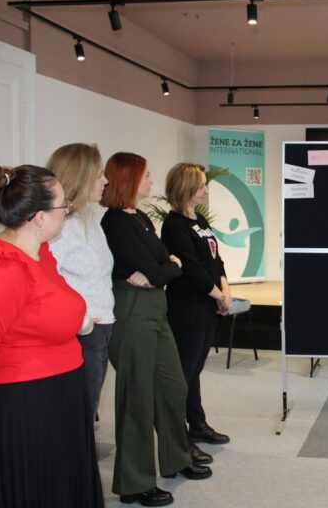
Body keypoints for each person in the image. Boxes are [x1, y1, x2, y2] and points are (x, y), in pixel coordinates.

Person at [0, 164, 104, 507]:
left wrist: (78, 321)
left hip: (59, 394)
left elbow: (48, 309)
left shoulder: (40, 253)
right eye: (63, 205)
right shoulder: (3, 269)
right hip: (25, 407)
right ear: (39, 218)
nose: (67, 211)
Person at [101, 152, 212, 507]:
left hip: (156, 309)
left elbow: (166, 264)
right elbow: (158, 269)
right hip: (133, 313)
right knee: (137, 399)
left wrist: (165, 267)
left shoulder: (141, 218)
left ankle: (176, 458)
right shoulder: (115, 222)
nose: (151, 180)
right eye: (146, 175)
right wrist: (164, 267)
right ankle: (135, 483)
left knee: (173, 386)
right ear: (130, 180)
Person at [161, 163, 232, 464]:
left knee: (195, 368)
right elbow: (191, 269)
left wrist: (224, 288)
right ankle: (180, 437)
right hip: (187, 307)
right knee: (184, 372)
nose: (206, 190)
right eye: (201, 185)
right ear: (186, 188)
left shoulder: (199, 219)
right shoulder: (174, 225)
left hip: (207, 304)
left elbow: (216, 260)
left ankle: (198, 424)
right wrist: (218, 295)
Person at [47, 143, 114, 422]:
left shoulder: (88, 217)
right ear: (80, 177)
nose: (105, 180)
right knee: (78, 416)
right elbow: (46, 280)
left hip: (100, 328)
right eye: (99, 175)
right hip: (82, 332)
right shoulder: (61, 226)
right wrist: (82, 320)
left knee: (88, 410)